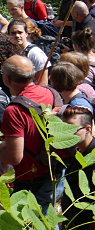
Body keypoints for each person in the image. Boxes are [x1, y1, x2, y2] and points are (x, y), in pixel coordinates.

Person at [0, 56, 60, 211]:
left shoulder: (13, 111)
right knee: (48, 219)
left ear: (7, 79)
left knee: (32, 226)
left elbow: (15, 157)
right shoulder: (50, 93)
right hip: (54, 170)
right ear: (33, 75)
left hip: (31, 178)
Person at [8, 19, 48, 86]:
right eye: (13, 33)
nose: (17, 35)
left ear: (26, 34)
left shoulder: (35, 53)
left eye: (20, 32)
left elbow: (43, 83)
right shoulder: (9, 52)